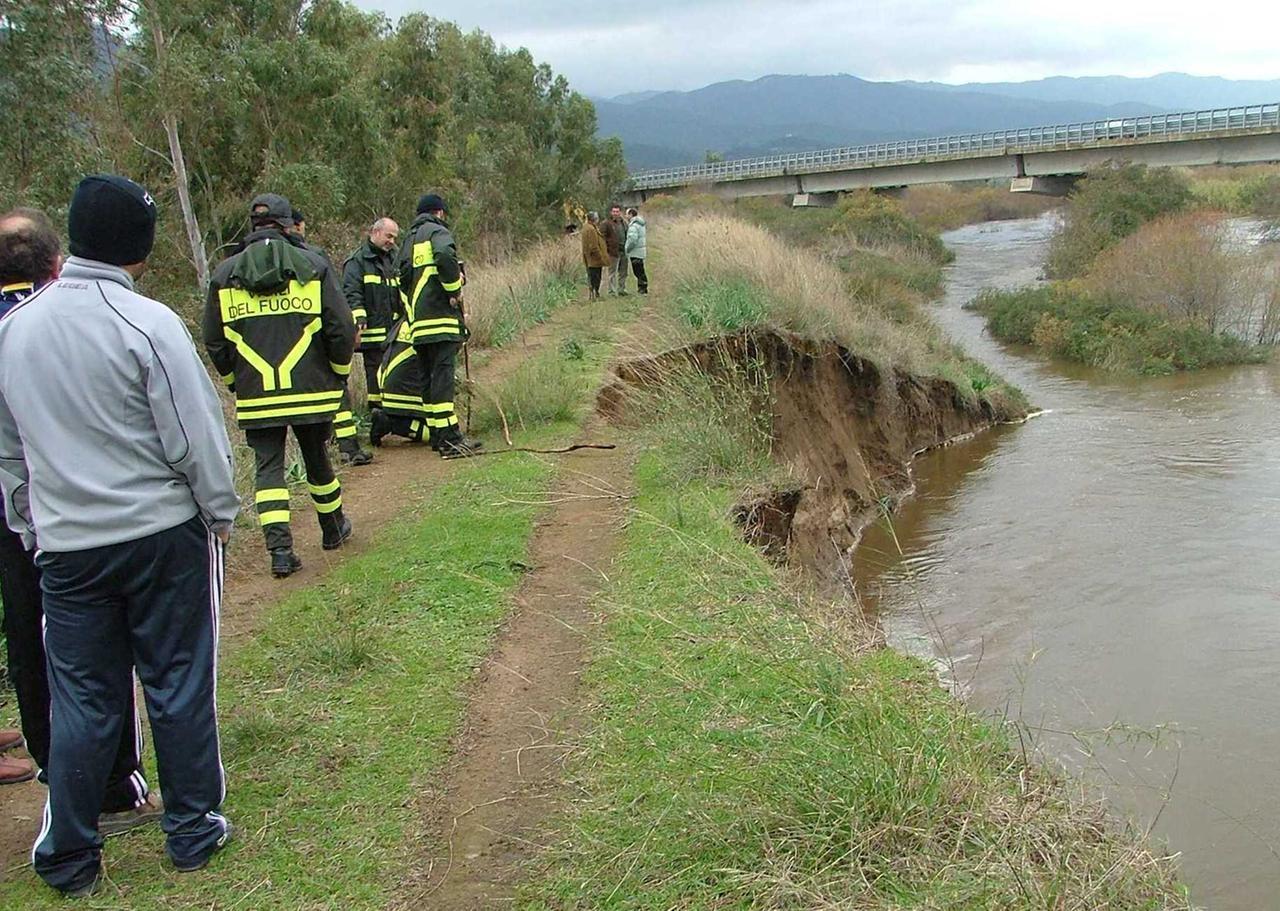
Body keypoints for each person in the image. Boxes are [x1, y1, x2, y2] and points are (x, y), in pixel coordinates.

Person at [0, 175, 240, 894]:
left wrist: (32, 524)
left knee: (81, 697)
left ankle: (70, 852)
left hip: (67, 548)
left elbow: (9, 450)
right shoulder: (148, 323)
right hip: (161, 536)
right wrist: (219, 513)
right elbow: (196, 439)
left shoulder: (16, 331)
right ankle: (193, 827)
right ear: (139, 245)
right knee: (178, 680)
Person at [0, 209, 165, 837]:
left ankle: (54, 770)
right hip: (74, 517)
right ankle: (115, 782)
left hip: (20, 515)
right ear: (54, 263)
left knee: (31, 644)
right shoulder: (57, 320)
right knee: (96, 652)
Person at [204, 193, 356, 577]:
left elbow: (215, 340)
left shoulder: (224, 275)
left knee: (268, 469)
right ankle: (333, 528)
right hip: (311, 389)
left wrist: (235, 381)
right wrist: (338, 373)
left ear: (253, 226)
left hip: (258, 394)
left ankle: (280, 552)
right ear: (288, 225)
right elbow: (340, 328)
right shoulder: (313, 266)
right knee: (317, 457)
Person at [399, 193, 483, 458]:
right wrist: (453, 288)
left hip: (418, 325)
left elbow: (400, 281)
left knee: (428, 380)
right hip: (441, 321)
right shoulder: (437, 232)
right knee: (443, 380)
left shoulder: (407, 241)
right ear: (440, 213)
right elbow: (446, 257)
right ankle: (450, 440)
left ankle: (437, 435)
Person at [293, 209, 372, 466]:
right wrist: (345, 339)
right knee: (337, 390)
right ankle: (347, 447)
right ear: (298, 226)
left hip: (276, 356)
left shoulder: (245, 263)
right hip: (316, 342)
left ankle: (334, 448)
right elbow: (335, 305)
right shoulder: (313, 258)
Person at [342, 218, 401, 420]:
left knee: (397, 370)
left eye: (394, 237)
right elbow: (352, 293)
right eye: (388, 236)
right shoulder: (357, 261)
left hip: (397, 331)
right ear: (374, 233)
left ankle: (397, 412)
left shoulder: (397, 258)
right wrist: (359, 319)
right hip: (373, 332)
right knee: (374, 372)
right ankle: (376, 414)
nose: (392, 241)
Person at [369, 316, 429, 446]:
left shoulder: (406, 322)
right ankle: (392, 424)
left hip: (389, 388)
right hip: (403, 393)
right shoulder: (429, 325)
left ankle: (394, 420)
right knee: (439, 434)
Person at [601, 203, 628, 296]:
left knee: (623, 272)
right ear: (611, 212)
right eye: (614, 211)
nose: (615, 213)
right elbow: (602, 237)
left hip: (623, 250)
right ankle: (611, 291)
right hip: (612, 252)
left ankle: (622, 289)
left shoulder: (624, 223)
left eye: (617, 211)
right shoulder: (606, 223)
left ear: (620, 212)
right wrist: (606, 249)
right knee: (612, 272)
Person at [581, 212, 608, 301]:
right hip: (594, 258)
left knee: (591, 275)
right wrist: (600, 256)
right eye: (597, 218)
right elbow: (593, 245)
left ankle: (593, 293)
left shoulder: (586, 227)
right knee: (596, 276)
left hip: (588, 257)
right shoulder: (591, 229)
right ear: (594, 219)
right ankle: (594, 294)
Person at [625, 207, 648, 295]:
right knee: (640, 270)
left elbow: (633, 240)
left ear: (631, 215)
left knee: (638, 271)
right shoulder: (640, 224)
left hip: (635, 252)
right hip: (640, 251)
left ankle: (642, 289)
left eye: (627, 214)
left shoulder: (633, 226)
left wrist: (627, 248)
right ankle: (642, 288)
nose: (626, 216)